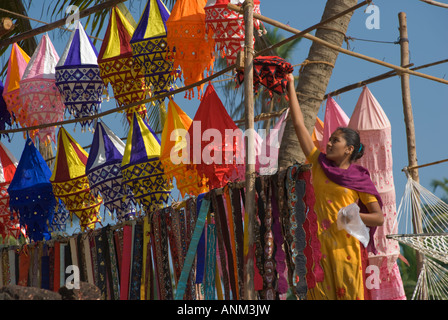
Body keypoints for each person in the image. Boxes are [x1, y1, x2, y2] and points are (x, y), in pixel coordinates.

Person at [285, 73, 384, 300]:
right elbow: (299, 124)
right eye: (329, 140)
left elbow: (378, 218)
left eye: (335, 141)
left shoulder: (359, 178)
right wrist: (291, 86)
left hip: (346, 252)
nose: (328, 143)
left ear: (349, 149)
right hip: (318, 250)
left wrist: (350, 216)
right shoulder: (318, 164)